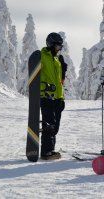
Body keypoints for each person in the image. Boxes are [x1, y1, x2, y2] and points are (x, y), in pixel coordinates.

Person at [40, 32, 67, 160]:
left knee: (55, 127)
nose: (59, 49)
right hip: (47, 97)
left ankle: (51, 150)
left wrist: (61, 98)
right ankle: (46, 152)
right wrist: (45, 87)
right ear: (51, 44)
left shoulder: (57, 59)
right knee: (49, 125)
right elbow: (35, 78)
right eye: (57, 46)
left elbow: (60, 81)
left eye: (60, 47)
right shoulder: (42, 56)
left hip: (57, 98)